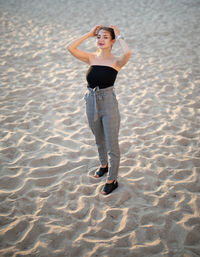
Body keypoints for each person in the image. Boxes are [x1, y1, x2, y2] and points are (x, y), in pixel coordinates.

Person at [66, 25, 131, 195]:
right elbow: (70, 47)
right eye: (98, 37)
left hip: (108, 102)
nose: (101, 40)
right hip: (90, 100)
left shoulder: (116, 61)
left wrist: (119, 35)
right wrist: (88, 34)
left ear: (112, 41)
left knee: (112, 143)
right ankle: (104, 165)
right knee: (98, 137)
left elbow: (128, 53)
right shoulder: (91, 58)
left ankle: (112, 179)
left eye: (105, 37)